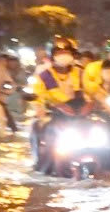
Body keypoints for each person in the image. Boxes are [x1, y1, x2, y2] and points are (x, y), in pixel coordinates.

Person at [26, 36, 92, 168]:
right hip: (54, 114)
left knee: (100, 132)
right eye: (59, 53)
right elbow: (38, 96)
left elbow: (89, 91)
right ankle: (44, 164)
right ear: (53, 56)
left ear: (72, 55)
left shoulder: (80, 72)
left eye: (66, 52)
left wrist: (91, 103)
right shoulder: (45, 75)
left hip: (79, 113)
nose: (63, 56)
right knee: (42, 129)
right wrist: (41, 108)